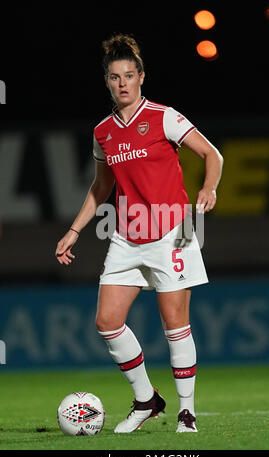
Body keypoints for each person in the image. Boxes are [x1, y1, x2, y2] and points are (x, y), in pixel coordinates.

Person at [55, 33, 223, 433]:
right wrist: (75, 229)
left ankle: (186, 411)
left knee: (174, 323)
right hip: (126, 236)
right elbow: (100, 188)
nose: (123, 83)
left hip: (173, 231)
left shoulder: (164, 117)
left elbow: (211, 154)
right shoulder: (103, 132)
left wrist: (209, 187)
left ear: (142, 77)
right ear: (108, 82)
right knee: (107, 320)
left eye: (129, 75)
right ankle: (147, 399)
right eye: (115, 77)